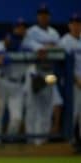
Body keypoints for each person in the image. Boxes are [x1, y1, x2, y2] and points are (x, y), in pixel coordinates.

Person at [22, 5, 63, 145]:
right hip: (35, 70)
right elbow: (26, 44)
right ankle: (30, 140)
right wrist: (41, 47)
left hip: (49, 74)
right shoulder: (32, 32)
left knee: (47, 107)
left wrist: (47, 48)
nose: (43, 17)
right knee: (32, 106)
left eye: (45, 14)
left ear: (49, 16)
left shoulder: (54, 33)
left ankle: (42, 142)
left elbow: (60, 48)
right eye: (41, 14)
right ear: (37, 16)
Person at [0, 18, 28, 137]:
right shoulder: (6, 42)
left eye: (23, 27)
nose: (20, 30)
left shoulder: (29, 43)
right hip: (3, 80)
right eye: (18, 27)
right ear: (14, 29)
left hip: (18, 84)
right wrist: (5, 49)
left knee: (17, 118)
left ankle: (9, 141)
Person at [59, 14, 81, 148]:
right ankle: (70, 141)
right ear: (69, 25)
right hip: (72, 82)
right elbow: (64, 65)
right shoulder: (64, 41)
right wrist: (75, 79)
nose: (76, 25)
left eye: (78, 23)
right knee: (72, 112)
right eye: (73, 23)